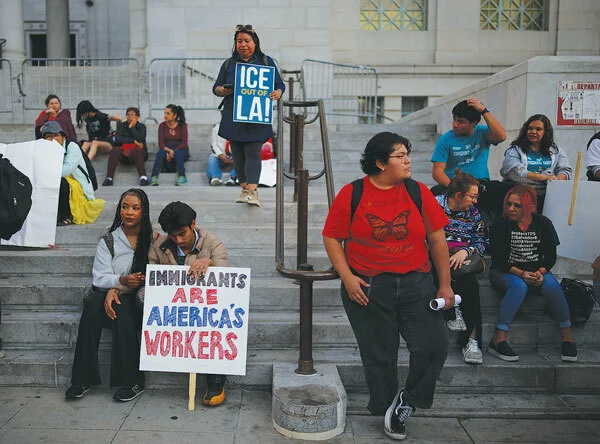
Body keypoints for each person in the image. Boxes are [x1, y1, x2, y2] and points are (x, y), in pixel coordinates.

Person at [322, 132, 453, 440]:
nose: (408, 160)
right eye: (399, 155)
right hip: (368, 286)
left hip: (417, 283)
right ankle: (388, 407)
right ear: (380, 163)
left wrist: (444, 285)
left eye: (408, 153)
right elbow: (332, 237)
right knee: (379, 354)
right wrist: (347, 277)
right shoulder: (353, 193)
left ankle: (407, 400)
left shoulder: (418, 191)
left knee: (434, 345)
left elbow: (436, 239)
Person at [65, 188, 154, 402]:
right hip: (109, 293)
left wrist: (120, 288)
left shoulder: (153, 238)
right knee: (92, 306)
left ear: (144, 211)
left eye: (135, 208)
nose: (129, 212)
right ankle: (82, 379)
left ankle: (132, 381)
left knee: (122, 309)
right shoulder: (109, 240)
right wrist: (119, 282)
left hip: (138, 298)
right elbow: (99, 277)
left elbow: (158, 271)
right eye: (125, 207)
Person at [149, 201, 229, 406]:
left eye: (182, 234)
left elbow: (227, 283)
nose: (178, 240)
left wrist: (209, 263)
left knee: (215, 322)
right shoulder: (159, 246)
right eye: (173, 235)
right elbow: (152, 279)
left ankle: (216, 379)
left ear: (193, 224)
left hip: (206, 308)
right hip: (173, 308)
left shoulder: (213, 244)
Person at [488, 185, 577, 363]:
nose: (511, 208)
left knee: (552, 286)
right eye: (509, 204)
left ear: (531, 207)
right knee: (519, 286)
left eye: (517, 205)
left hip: (536, 271)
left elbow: (551, 256)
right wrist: (522, 274)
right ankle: (498, 338)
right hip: (505, 272)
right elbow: (499, 260)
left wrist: (540, 272)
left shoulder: (543, 224)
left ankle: (567, 338)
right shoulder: (500, 224)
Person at [213, 24, 285, 207]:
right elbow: (216, 86)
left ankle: (252, 191)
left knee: (253, 151)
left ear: (255, 42)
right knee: (237, 153)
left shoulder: (266, 61)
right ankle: (245, 189)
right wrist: (221, 90)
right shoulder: (229, 64)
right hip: (233, 115)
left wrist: (278, 92)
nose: (243, 45)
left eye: (247, 41)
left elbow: (280, 84)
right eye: (239, 41)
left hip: (256, 115)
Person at [435, 171, 486, 364]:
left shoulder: (473, 213)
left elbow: (481, 239)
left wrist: (466, 250)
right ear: (458, 195)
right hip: (435, 256)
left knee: (471, 285)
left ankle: (472, 341)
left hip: (461, 259)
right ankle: (452, 308)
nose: (475, 201)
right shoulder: (434, 205)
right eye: (472, 196)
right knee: (440, 269)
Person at [430, 98, 507, 223]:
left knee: (504, 192)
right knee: (434, 195)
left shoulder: (482, 132)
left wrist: (483, 110)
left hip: (481, 184)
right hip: (454, 185)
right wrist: (456, 188)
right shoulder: (445, 139)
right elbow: (437, 173)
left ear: (474, 123)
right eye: (454, 119)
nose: (455, 124)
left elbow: (501, 136)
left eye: (461, 122)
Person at [500, 114, 572, 212]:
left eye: (538, 129)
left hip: (547, 195)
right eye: (530, 128)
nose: (533, 132)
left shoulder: (556, 150)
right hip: (520, 195)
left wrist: (557, 180)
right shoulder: (515, 149)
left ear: (546, 132)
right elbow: (512, 170)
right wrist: (545, 178)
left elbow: (565, 170)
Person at [41, 121, 105, 226]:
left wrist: (46, 174)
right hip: (54, 177)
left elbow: (67, 169)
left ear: (63, 137)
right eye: (49, 136)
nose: (53, 139)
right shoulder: (43, 149)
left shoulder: (72, 146)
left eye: (56, 135)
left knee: (61, 182)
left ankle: (66, 215)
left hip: (75, 181)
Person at [103, 107, 149, 187]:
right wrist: (133, 141)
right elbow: (118, 139)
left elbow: (141, 138)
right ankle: (109, 178)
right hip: (124, 153)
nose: (129, 117)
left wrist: (131, 127)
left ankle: (143, 177)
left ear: (137, 117)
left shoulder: (142, 126)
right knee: (115, 150)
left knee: (136, 151)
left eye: (132, 115)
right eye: (128, 115)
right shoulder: (121, 125)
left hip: (138, 154)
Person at [150, 104, 190, 186]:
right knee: (160, 152)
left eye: (168, 113)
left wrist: (173, 151)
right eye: (165, 113)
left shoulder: (182, 125)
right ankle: (154, 177)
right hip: (167, 150)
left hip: (181, 150)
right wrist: (169, 151)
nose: (165, 115)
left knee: (178, 152)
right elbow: (161, 144)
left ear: (174, 115)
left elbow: (184, 143)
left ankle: (182, 176)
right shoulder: (162, 126)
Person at [207, 114, 237, 186]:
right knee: (212, 158)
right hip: (222, 155)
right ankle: (214, 178)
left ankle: (233, 178)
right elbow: (214, 144)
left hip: (236, 155)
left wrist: (236, 155)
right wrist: (220, 154)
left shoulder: (239, 127)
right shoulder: (216, 127)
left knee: (245, 159)